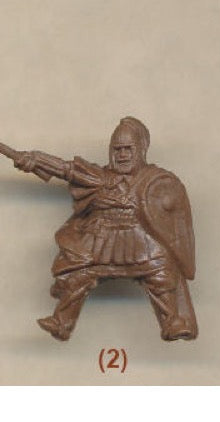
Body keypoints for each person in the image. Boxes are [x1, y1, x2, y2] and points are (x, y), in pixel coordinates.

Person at [12, 116, 196, 341]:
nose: (122, 155)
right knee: (78, 275)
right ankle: (62, 322)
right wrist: (36, 160)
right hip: (100, 240)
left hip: (141, 241)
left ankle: (172, 321)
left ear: (140, 150)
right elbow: (66, 169)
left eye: (128, 149)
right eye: (117, 149)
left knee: (161, 273)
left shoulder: (154, 179)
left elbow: (169, 213)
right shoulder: (99, 177)